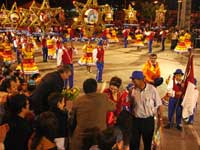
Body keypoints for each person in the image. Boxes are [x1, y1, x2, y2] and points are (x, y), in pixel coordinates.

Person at [71, 78, 115, 150]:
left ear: (84, 89)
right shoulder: (103, 97)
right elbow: (113, 107)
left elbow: (72, 118)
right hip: (100, 137)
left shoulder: (78, 100)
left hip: (81, 137)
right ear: (96, 88)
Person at [129, 71, 162, 150]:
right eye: (132, 79)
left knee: (147, 144)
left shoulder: (152, 90)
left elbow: (159, 105)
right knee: (133, 144)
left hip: (148, 121)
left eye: (134, 79)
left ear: (142, 80)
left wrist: (160, 120)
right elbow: (129, 104)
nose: (133, 81)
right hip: (135, 121)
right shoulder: (132, 90)